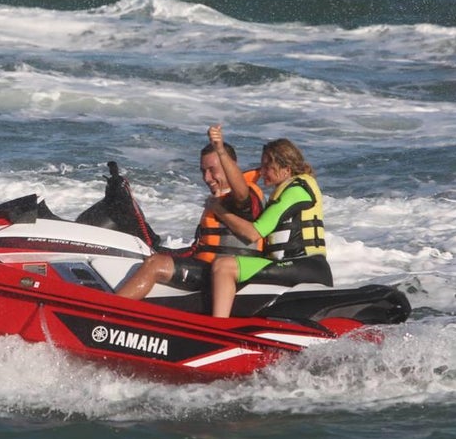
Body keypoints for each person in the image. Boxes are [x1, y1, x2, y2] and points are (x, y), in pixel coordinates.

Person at [115, 125, 264, 301]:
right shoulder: (218, 199)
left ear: (230, 166)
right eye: (203, 171)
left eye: (212, 170)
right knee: (150, 258)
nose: (206, 178)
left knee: (155, 265)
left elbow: (241, 194)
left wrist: (220, 150)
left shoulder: (243, 196)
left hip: (226, 274)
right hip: (207, 267)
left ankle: (108, 311)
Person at [207, 137, 332, 318]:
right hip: (298, 266)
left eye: (267, 167)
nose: (262, 171)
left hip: (306, 266)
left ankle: (216, 328)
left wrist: (218, 210)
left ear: (286, 169)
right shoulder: (286, 190)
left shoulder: (296, 191)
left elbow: (252, 233)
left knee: (224, 266)